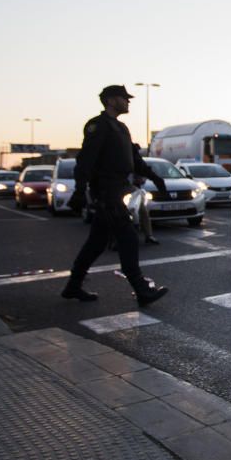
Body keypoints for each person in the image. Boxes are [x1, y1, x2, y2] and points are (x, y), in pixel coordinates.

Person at [63, 85, 168, 305]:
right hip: (106, 191)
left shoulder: (120, 128)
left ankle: (73, 286)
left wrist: (157, 178)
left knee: (96, 242)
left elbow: (135, 161)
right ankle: (141, 289)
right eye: (124, 98)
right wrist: (80, 190)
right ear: (111, 100)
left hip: (117, 189)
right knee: (128, 238)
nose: (128, 102)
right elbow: (86, 160)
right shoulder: (98, 126)